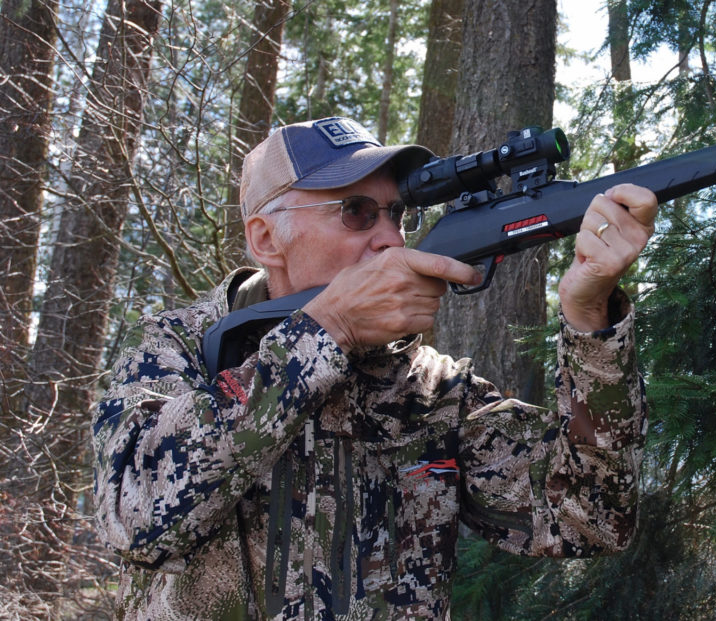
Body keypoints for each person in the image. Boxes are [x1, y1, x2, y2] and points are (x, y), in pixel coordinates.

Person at [92, 117, 657, 620]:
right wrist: (325, 332)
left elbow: (591, 516)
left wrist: (590, 321)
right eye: (356, 212)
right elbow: (137, 517)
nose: (389, 237)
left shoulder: (431, 387)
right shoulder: (178, 348)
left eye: (397, 213)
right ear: (266, 238)